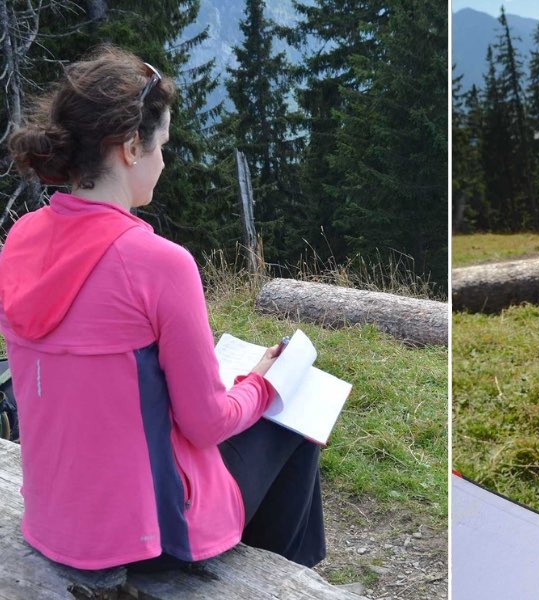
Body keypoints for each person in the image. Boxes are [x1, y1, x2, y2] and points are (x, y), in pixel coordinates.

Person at [0, 46, 325, 572]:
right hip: (148, 535)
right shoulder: (157, 262)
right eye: (162, 146)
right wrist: (262, 382)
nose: (165, 161)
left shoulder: (21, 239)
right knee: (295, 411)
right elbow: (206, 424)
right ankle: (283, 573)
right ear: (131, 146)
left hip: (54, 520)